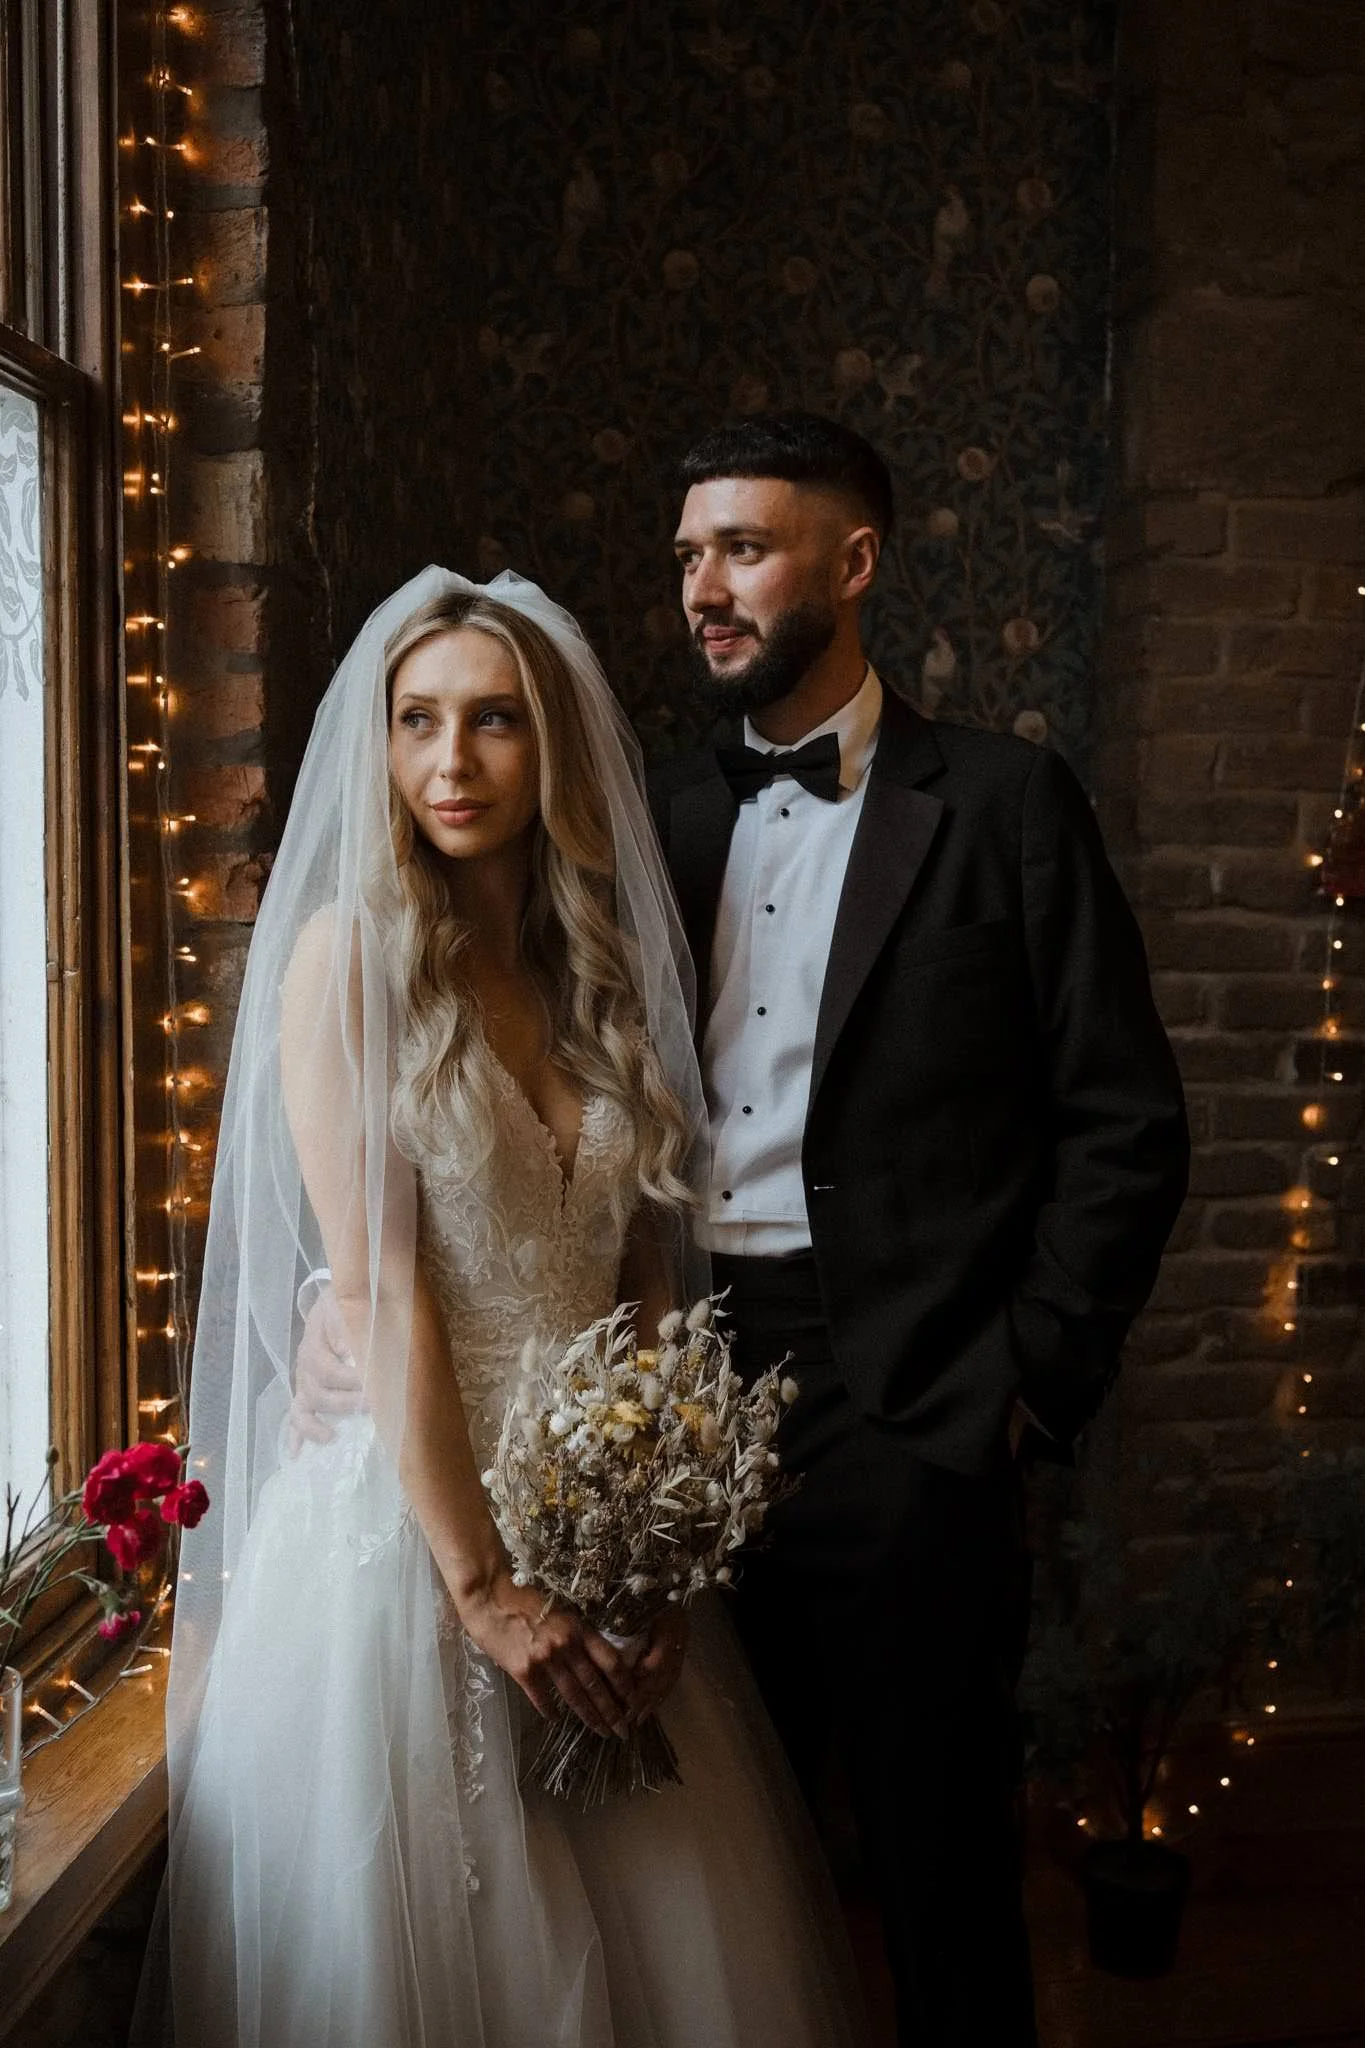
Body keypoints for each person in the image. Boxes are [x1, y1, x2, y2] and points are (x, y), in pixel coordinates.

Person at [293, 417, 1191, 2047]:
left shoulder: (1002, 802)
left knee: (935, 1866)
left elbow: (1127, 1126)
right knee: (683, 1858)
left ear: (854, 564)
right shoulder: (634, 829)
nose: (707, 588)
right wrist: (334, 1301)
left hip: (912, 1407)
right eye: (692, 553)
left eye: (749, 550)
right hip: (654, 1409)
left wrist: (1022, 1387)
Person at [139, 568, 860, 2048]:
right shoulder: (350, 965)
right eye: (416, 723)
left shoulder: (588, 967)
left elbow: (643, 1276)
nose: (451, 764)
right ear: (381, 747)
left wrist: (655, 1549)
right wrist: (487, 1595)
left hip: (601, 1530)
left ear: (555, 750)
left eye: (492, 724)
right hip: (414, 1543)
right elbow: (385, 1282)